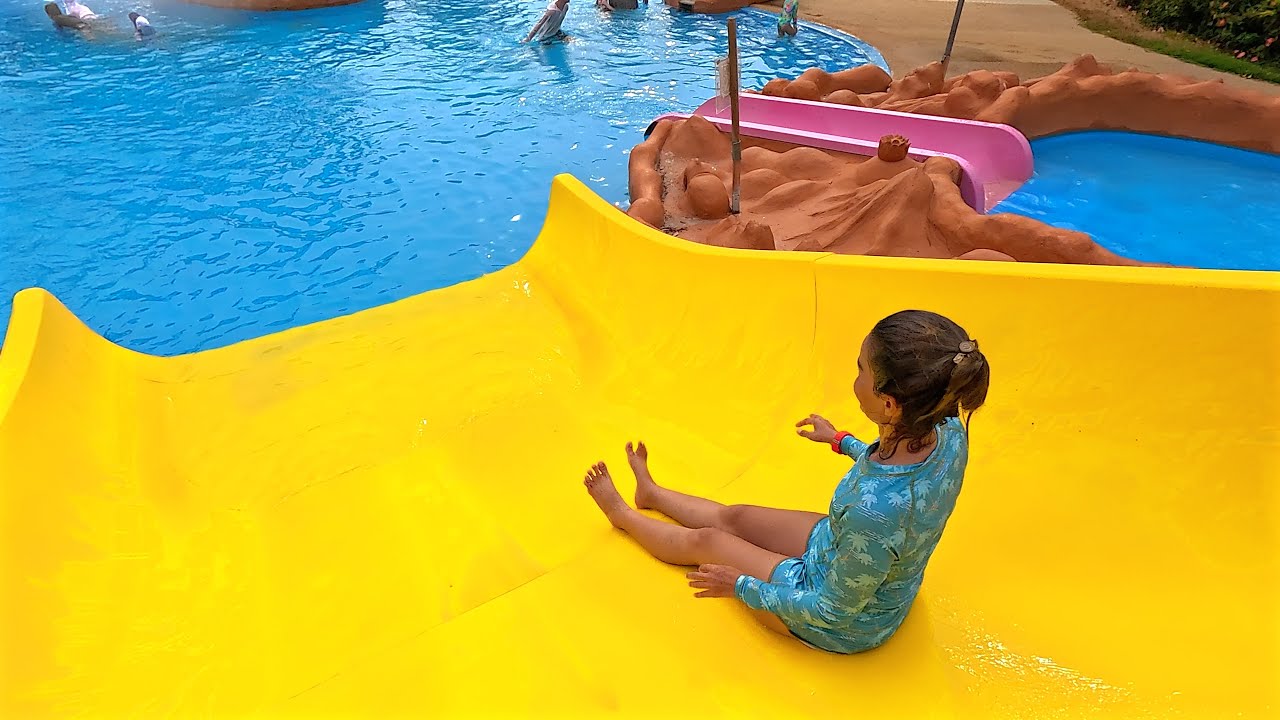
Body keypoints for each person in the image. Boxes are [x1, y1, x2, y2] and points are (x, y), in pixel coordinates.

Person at [582, 309, 990, 653]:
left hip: (846, 622)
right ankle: (651, 493)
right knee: (736, 517)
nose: (855, 379)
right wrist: (841, 440)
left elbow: (832, 609)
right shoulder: (949, 428)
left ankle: (622, 516)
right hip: (852, 553)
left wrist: (741, 585)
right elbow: (894, 466)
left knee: (709, 543)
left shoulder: (874, 512)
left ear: (889, 403)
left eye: (860, 369)